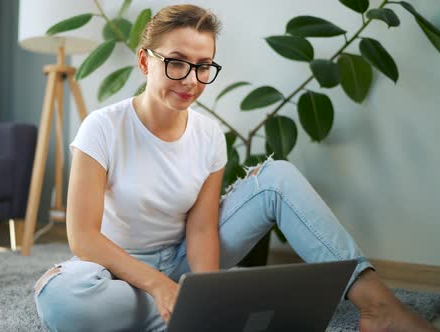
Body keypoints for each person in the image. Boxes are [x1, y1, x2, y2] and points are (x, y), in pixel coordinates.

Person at [34, 4, 437, 332]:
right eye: (176, 62)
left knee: (276, 177)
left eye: (203, 65)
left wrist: (204, 297)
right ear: (144, 61)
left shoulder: (209, 135)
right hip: (113, 268)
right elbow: (83, 237)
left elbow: (203, 227)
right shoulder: (102, 127)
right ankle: (183, 308)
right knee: (66, 300)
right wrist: (158, 286)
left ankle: (378, 306)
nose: (190, 79)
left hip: (181, 261)